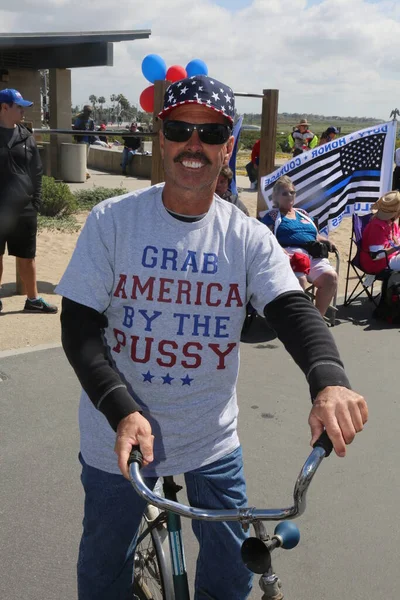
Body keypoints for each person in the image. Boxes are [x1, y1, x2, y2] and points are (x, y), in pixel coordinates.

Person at [56, 75, 367, 600]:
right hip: (119, 436)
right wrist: (120, 408)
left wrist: (330, 381)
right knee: (104, 571)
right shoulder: (113, 221)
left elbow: (293, 310)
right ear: (162, 137)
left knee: (231, 577)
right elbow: (79, 326)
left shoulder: (247, 237)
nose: (193, 145)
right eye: (180, 129)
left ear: (229, 146)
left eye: (211, 132)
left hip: (211, 440)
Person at [0, 88, 57, 314]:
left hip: (24, 209)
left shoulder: (26, 137)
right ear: (4, 108)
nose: (23, 111)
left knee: (27, 256)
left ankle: (33, 299)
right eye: (19, 106)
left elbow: (37, 172)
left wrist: (35, 202)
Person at [261, 175, 338, 316]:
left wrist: (326, 240)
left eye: (292, 192)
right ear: (276, 197)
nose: (290, 196)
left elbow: (314, 235)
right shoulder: (272, 216)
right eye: (285, 193)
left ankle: (317, 319)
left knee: (330, 277)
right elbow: (265, 238)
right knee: (300, 279)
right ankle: (298, 320)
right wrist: (281, 250)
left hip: (313, 253)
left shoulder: (303, 213)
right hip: (290, 254)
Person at [360, 191, 400, 274]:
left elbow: (396, 241)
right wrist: (397, 247)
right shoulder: (377, 227)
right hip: (377, 264)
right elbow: (376, 255)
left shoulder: (391, 223)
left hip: (390, 258)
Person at [73, 105, 95, 179]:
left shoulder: (91, 121)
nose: (89, 113)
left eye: (90, 112)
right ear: (84, 111)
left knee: (85, 157)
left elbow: (93, 130)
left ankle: (84, 172)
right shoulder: (79, 120)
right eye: (88, 111)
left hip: (88, 141)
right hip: (81, 140)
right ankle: (85, 172)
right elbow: (75, 129)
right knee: (81, 158)